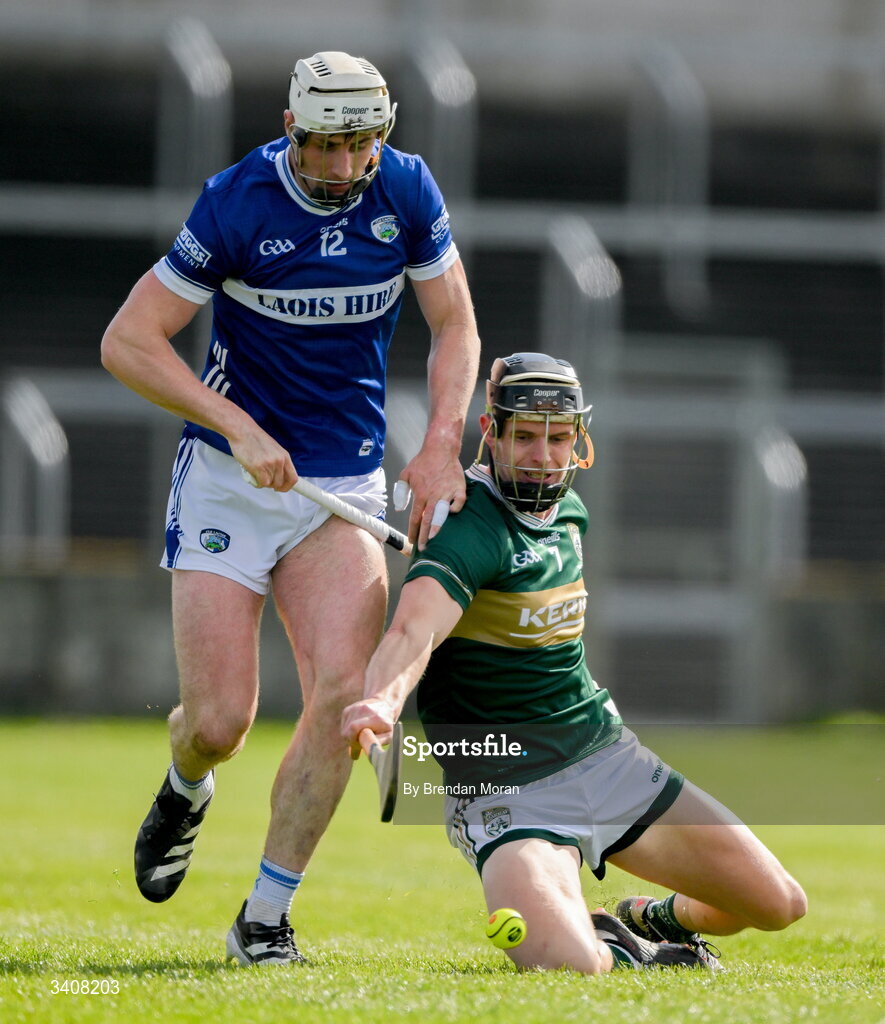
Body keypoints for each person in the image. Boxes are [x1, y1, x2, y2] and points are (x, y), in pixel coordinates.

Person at [101, 50, 480, 965]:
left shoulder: (406, 192)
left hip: (339, 489)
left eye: (362, 144)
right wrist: (237, 427)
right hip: (233, 479)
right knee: (221, 719)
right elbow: (129, 342)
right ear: (290, 129)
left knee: (343, 699)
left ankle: (263, 919)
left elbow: (454, 323)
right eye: (325, 146)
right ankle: (186, 780)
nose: (345, 166)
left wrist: (438, 448)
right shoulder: (236, 201)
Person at [341, 351, 807, 974]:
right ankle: (619, 945)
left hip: (604, 756)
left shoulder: (568, 510)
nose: (544, 456)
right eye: (526, 437)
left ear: (579, 438)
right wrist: (382, 701)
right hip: (506, 790)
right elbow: (411, 631)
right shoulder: (468, 530)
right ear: (493, 433)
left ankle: (653, 919)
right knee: (572, 966)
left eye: (559, 438)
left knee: (778, 905)